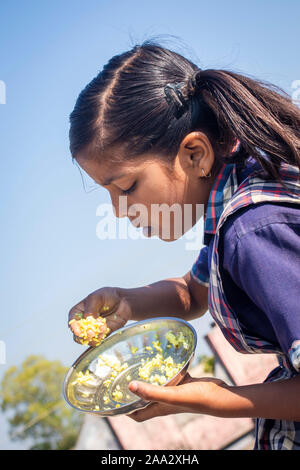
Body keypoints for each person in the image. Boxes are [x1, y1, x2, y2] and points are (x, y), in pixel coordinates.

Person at [67, 41, 300, 450]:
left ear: (194, 154)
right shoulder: (238, 193)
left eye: (126, 187)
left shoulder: (252, 231)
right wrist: (127, 301)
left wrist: (213, 398)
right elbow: (195, 293)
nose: (119, 211)